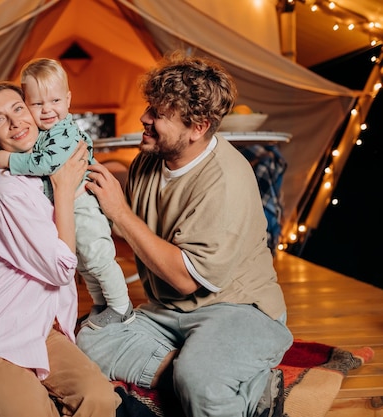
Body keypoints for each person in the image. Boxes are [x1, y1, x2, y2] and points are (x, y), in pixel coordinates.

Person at [76, 51, 294, 417]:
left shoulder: (225, 181)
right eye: (150, 106)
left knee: (201, 381)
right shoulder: (150, 158)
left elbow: (185, 279)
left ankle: (207, 375)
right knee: (88, 339)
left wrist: (119, 211)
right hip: (166, 312)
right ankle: (244, 387)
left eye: (158, 114)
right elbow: (131, 231)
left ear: (198, 127)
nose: (144, 118)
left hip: (238, 310)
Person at [0, 81, 121, 417]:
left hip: (42, 330)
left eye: (17, 109)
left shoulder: (42, 166)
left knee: (98, 399)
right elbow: (59, 268)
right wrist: (64, 189)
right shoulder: (5, 190)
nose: (14, 122)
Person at [0, 58, 134, 329]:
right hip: (68, 207)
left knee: (98, 256)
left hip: (83, 205)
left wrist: (6, 159)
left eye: (54, 101)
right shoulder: (42, 133)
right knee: (84, 262)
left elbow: (46, 164)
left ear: (68, 99)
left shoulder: (64, 133)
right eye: (37, 104)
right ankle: (100, 304)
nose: (47, 110)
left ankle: (121, 306)